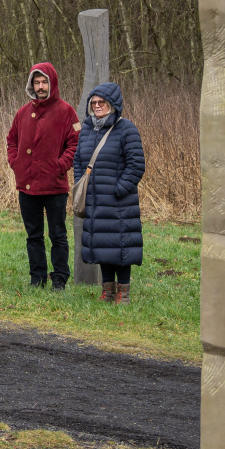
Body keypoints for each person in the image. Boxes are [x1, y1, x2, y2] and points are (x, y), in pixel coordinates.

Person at [7, 63, 81, 290]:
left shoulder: (67, 112)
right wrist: (17, 163)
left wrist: (60, 165)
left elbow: (75, 144)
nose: (40, 87)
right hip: (27, 185)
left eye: (44, 82)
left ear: (52, 83)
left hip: (55, 185)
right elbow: (11, 140)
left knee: (58, 234)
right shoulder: (22, 113)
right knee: (33, 235)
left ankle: (59, 278)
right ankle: (37, 278)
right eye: (37, 82)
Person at [74, 82, 145, 303]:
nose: (96, 106)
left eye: (101, 102)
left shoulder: (126, 129)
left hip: (119, 201)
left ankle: (123, 293)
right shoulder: (87, 129)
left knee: (121, 246)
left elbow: (136, 165)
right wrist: (80, 185)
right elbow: (78, 161)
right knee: (102, 245)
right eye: (93, 102)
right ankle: (108, 291)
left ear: (112, 104)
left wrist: (119, 189)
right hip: (94, 200)